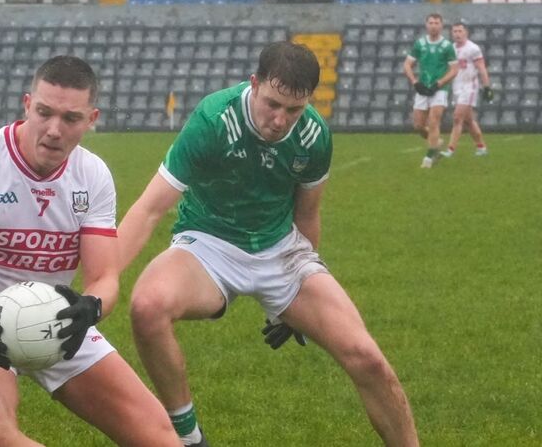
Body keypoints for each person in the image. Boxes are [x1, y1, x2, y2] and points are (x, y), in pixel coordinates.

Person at [118, 42, 420, 447]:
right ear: (254, 84)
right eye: (272, 104)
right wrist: (102, 283)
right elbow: (151, 208)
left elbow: (308, 215)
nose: (280, 120)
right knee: (146, 306)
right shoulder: (213, 118)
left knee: (367, 358)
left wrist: (292, 301)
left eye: (293, 110)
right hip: (208, 243)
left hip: (281, 250)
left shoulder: (314, 137)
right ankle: (189, 437)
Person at [0, 56, 181, 447]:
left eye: (71, 118)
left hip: (58, 323)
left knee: (159, 437)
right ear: (27, 105)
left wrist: (90, 309)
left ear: (92, 119)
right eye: (44, 112)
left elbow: (104, 277)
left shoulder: (93, 176)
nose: (54, 130)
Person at [403, 13, 459, 168]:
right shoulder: (420, 44)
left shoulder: (447, 46)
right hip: (422, 86)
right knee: (418, 126)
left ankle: (429, 157)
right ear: (426, 25)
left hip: (439, 88)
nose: (434, 25)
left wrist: (439, 83)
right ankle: (436, 142)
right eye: (431, 23)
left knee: (434, 121)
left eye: (437, 23)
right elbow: (407, 64)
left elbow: (454, 69)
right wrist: (415, 82)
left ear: (441, 26)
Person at [441, 22, 492, 158]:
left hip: (469, 87)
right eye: (455, 31)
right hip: (457, 87)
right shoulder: (451, 49)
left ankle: (450, 149)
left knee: (457, 118)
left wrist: (486, 87)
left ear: (466, 32)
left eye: (460, 31)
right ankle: (481, 147)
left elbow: (481, 68)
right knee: (469, 121)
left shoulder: (473, 48)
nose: (457, 34)